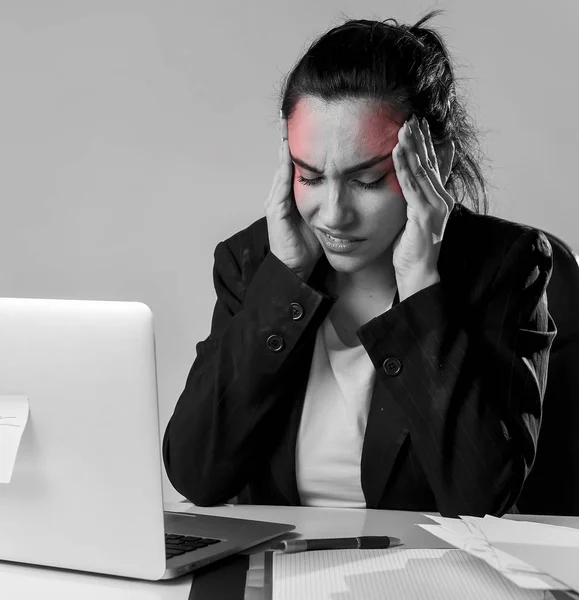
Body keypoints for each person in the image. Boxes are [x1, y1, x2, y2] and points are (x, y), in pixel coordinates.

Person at [162, 10, 556, 518]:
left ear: (433, 160)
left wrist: (420, 290)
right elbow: (196, 475)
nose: (332, 214)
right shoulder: (254, 262)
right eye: (309, 177)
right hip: (278, 574)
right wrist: (284, 282)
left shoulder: (505, 266)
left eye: (366, 181)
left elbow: (480, 500)